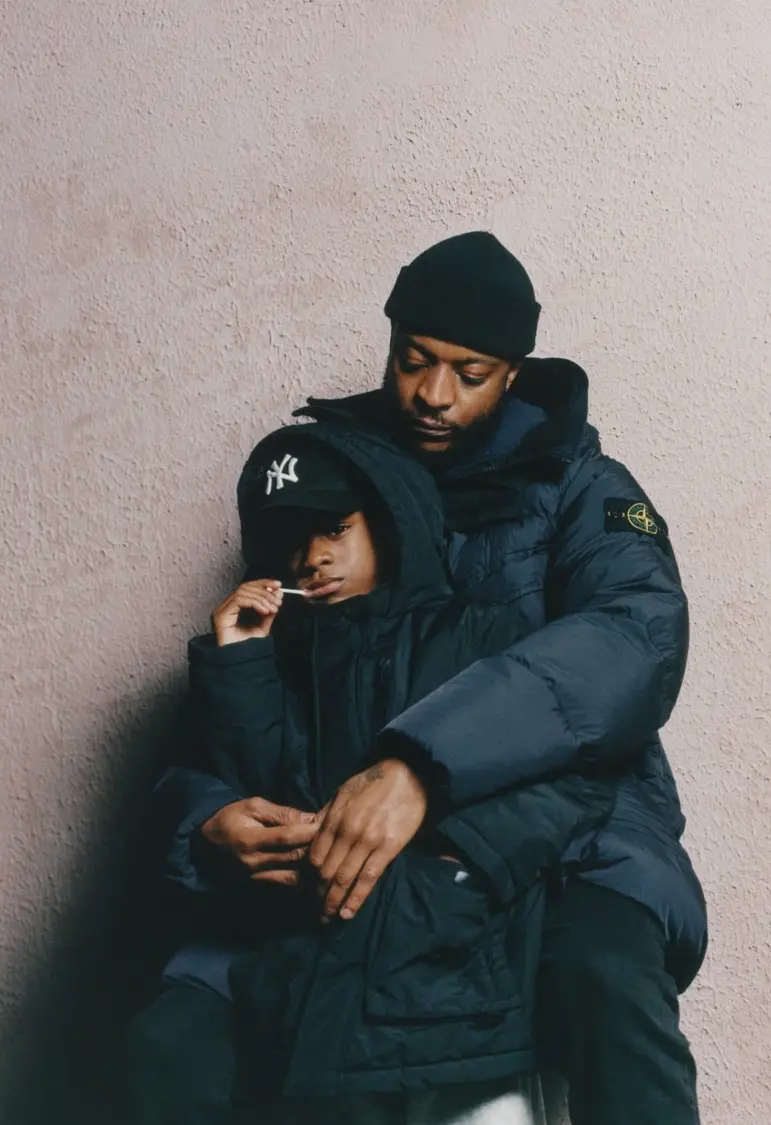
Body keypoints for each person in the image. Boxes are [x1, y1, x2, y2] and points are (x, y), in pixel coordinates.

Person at [150, 231, 707, 1125]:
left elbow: (635, 638)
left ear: (513, 374)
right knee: (183, 1037)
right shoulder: (334, 477)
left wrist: (421, 766)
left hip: (574, 832)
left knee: (607, 978)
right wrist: (207, 821)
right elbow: (257, 699)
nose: (434, 394)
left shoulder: (582, 487)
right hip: (338, 834)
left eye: (470, 372)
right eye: (413, 361)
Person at [127, 424, 612, 1124]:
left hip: (428, 941)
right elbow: (241, 791)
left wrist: (453, 861)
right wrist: (238, 666)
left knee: (347, 1078)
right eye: (291, 538)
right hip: (291, 946)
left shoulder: (478, 634)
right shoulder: (269, 656)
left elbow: (565, 776)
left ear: (389, 519)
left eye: (335, 528)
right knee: (167, 1051)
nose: (312, 557)